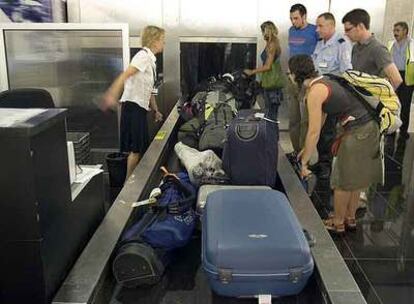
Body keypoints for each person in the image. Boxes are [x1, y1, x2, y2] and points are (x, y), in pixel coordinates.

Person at [288, 55, 383, 234]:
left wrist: (304, 161)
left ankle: (338, 222)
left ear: (295, 74)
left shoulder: (315, 91)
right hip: (370, 127)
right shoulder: (325, 81)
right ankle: (350, 218)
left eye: (289, 73)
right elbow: (321, 120)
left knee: (341, 180)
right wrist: (307, 149)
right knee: (355, 179)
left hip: (357, 132)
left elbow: (314, 130)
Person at [101, 25, 165, 180]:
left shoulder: (150, 60)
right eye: (162, 40)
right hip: (133, 107)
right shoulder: (143, 56)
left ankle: (131, 182)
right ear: (154, 41)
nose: (164, 43)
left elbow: (148, 90)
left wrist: (156, 110)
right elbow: (126, 75)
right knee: (135, 149)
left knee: (138, 148)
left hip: (139, 108)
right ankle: (128, 185)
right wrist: (112, 93)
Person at [309, 12, 353, 179]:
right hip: (318, 90)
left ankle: (325, 166)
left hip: (332, 92)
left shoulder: (342, 43)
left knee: (328, 130)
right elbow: (315, 66)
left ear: (331, 26)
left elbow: (346, 71)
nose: (317, 29)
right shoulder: (320, 43)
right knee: (317, 127)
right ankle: (319, 160)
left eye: (320, 26)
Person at [342, 9, 402, 89]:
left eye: (348, 30)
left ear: (360, 26)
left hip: (370, 99)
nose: (346, 34)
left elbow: (396, 79)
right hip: (357, 96)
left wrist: (378, 99)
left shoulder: (377, 49)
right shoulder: (355, 47)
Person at [287, 3, 318, 153]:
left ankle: (305, 152)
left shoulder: (314, 31)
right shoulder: (291, 31)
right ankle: (295, 150)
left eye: (296, 18)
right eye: (291, 18)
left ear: (304, 16)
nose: (293, 22)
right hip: (292, 79)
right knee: (294, 119)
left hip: (307, 80)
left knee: (306, 120)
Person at [244, 21, 283, 120]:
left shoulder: (272, 45)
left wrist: (252, 71)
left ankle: (271, 135)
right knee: (270, 113)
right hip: (269, 82)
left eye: (263, 31)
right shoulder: (272, 43)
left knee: (270, 114)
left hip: (272, 84)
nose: (262, 34)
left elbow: (268, 66)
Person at [388, 22, 414, 141]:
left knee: (405, 106)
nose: (395, 33)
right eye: (394, 30)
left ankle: (403, 132)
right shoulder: (391, 44)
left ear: (405, 31)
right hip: (393, 75)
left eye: (398, 30)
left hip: (407, 78)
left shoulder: (412, 44)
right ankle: (392, 130)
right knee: (392, 104)